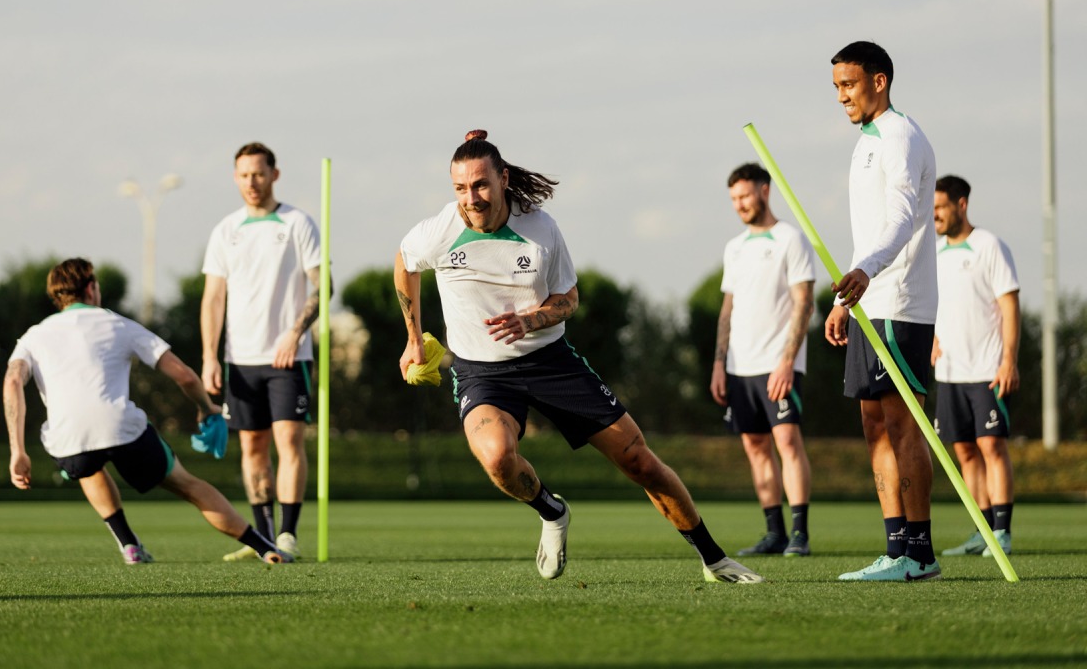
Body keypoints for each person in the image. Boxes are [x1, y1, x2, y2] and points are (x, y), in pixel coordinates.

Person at [394, 130, 764, 584]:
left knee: (639, 462)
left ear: (503, 178)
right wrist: (413, 337)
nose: (471, 197)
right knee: (496, 459)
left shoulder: (541, 228)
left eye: (481, 184)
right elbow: (405, 262)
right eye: (460, 188)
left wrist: (531, 321)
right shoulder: (439, 232)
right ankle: (552, 511)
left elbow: (568, 299)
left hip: (550, 360)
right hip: (482, 373)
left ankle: (714, 559)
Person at [4, 258, 283, 564]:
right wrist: (206, 407)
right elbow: (185, 375)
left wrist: (17, 449)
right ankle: (265, 547)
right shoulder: (118, 324)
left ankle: (129, 546)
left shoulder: (34, 335)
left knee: (86, 463)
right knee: (189, 486)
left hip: (66, 438)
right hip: (121, 428)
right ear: (91, 288)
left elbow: (13, 380)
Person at [824, 41, 942, 582]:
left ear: (879, 80)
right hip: (870, 301)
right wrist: (843, 301)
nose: (842, 96)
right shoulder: (865, 142)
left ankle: (919, 554)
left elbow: (900, 217)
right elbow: (871, 230)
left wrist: (869, 271)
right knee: (874, 425)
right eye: (836, 88)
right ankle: (896, 549)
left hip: (901, 302)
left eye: (849, 85)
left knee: (902, 425)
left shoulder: (899, 136)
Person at [201, 142, 325, 562]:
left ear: (274, 174)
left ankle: (288, 535)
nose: (251, 182)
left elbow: (322, 285)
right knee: (252, 449)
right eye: (243, 175)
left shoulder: (297, 223)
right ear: (235, 178)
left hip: (289, 359)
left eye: (258, 173)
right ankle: (265, 540)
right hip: (240, 360)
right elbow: (213, 298)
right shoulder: (225, 230)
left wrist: (294, 333)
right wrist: (208, 357)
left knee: (289, 441)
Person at [710, 163, 815, 557]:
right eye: (734, 199)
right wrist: (719, 363)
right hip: (739, 367)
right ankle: (774, 532)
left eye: (745, 196)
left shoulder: (791, 238)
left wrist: (787, 361)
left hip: (778, 364)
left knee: (787, 440)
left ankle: (800, 532)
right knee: (755, 446)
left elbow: (805, 301)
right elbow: (728, 309)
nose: (739, 205)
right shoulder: (734, 247)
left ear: (764, 191)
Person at [932, 175, 1020, 558]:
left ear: (961, 204)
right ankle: (981, 530)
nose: (934, 213)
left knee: (991, 446)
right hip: (949, 372)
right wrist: (931, 337)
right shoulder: (933, 253)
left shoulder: (989, 246)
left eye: (940, 207)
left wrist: (1009, 361)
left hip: (987, 368)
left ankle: (1002, 532)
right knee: (964, 451)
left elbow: (1009, 306)